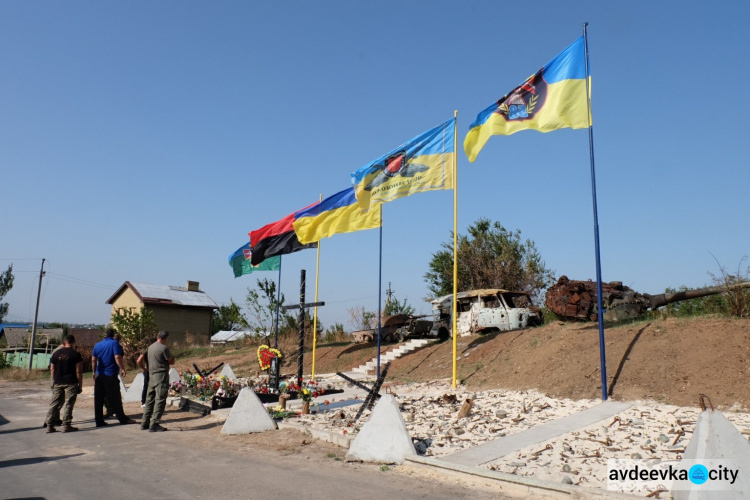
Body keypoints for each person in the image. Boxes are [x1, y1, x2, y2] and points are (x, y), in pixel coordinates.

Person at [91, 324, 136, 427]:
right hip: (110, 374)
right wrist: (123, 368)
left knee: (98, 399)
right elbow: (117, 357)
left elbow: (93, 360)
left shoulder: (97, 345)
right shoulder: (114, 343)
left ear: (104, 336)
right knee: (115, 398)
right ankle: (122, 418)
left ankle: (99, 421)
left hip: (99, 375)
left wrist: (94, 372)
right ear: (112, 335)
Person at [45, 335, 83, 433]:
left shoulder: (56, 353)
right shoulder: (75, 354)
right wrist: (80, 385)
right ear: (73, 342)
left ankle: (49, 425)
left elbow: (52, 369)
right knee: (69, 403)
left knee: (54, 403)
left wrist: (53, 381)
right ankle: (66, 424)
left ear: (63, 342)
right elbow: (78, 371)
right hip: (70, 382)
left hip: (57, 382)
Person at [141, 330, 175, 432]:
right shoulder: (164, 348)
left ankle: (144, 422)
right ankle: (154, 424)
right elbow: (171, 361)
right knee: (160, 399)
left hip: (151, 376)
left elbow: (140, 359)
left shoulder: (150, 347)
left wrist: (144, 368)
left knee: (149, 400)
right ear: (165, 338)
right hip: (161, 376)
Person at [136, 338, 156, 406]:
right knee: (147, 386)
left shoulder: (147, 349)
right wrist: (144, 368)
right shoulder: (148, 350)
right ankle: (144, 401)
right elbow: (139, 360)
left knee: (147, 386)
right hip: (150, 370)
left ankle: (146, 401)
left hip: (150, 370)